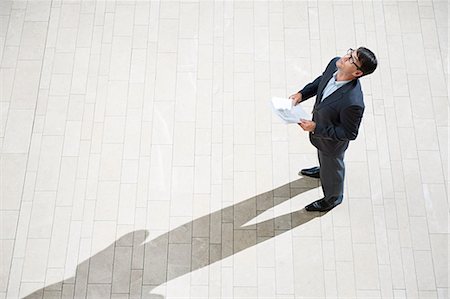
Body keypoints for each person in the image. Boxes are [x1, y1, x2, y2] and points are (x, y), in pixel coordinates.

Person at [289, 47, 377, 212]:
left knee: (332, 166)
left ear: (358, 73)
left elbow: (349, 133)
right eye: (349, 53)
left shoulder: (353, 103)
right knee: (324, 161)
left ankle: (333, 198)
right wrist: (302, 94)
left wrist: (316, 127)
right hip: (321, 136)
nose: (345, 58)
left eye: (352, 60)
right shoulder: (334, 64)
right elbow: (322, 81)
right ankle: (323, 171)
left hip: (332, 144)